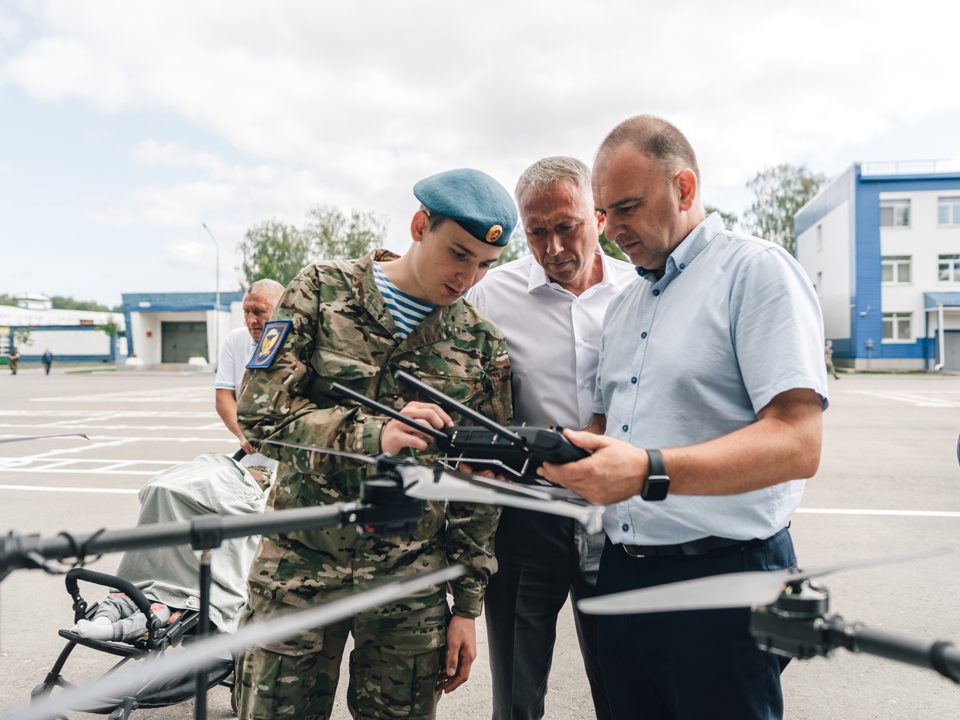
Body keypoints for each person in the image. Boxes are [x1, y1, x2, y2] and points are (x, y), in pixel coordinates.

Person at [540, 115, 829, 720]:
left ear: (686, 189)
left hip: (724, 580)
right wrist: (536, 452)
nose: (611, 230)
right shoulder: (625, 305)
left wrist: (648, 470)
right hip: (622, 575)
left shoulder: (756, 272)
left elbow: (798, 441)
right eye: (604, 213)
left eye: (626, 208)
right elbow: (607, 428)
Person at [234, 168, 517, 720]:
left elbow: (480, 484)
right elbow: (259, 413)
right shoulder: (322, 289)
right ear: (419, 226)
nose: (468, 277)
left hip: (410, 588)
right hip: (298, 568)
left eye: (484, 266)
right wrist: (373, 436)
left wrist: (468, 607)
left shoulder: (482, 343)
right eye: (458, 254)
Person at [466, 156, 634, 720]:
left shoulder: (644, 290)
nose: (554, 246)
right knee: (516, 694)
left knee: (625, 686)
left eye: (568, 226)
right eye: (536, 232)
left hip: (620, 519)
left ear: (601, 218)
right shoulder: (492, 296)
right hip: (527, 516)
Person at [215, 279, 285, 485]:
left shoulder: (299, 341)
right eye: (246, 312)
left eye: (259, 312)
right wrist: (242, 433)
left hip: (292, 461)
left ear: (281, 308)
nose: (251, 320)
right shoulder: (235, 341)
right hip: (252, 462)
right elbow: (223, 396)